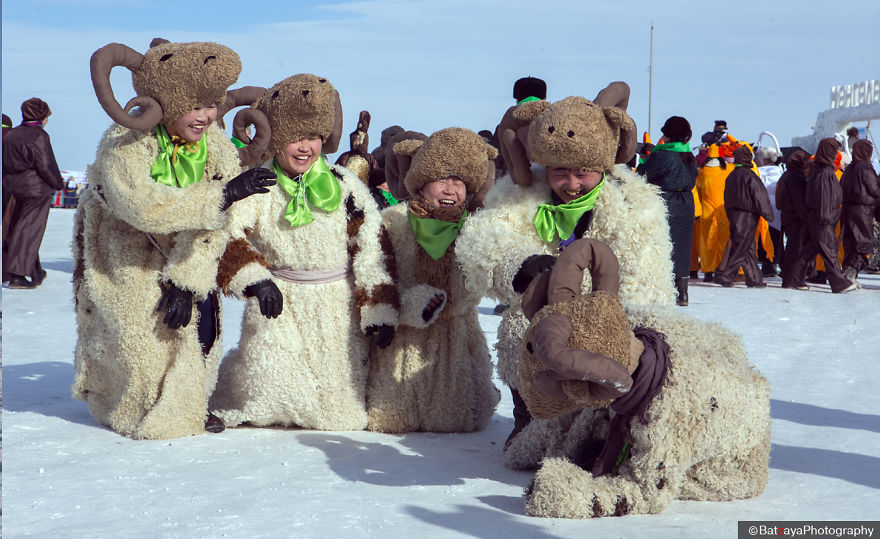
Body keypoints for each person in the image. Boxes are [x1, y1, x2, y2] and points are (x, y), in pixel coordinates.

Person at [71, 39, 279, 440]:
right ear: (165, 99)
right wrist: (224, 195)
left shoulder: (215, 146)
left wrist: (187, 281)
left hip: (189, 254)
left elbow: (213, 226)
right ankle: (131, 405)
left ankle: (190, 405)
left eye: (211, 105)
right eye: (194, 105)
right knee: (140, 341)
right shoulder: (125, 144)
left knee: (200, 330)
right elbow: (142, 206)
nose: (205, 116)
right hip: (124, 256)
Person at [454, 83, 674, 453]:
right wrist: (521, 267)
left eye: (583, 172)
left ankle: (596, 426)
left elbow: (645, 284)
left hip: (604, 317)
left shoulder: (634, 206)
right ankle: (529, 420)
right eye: (560, 172)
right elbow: (482, 242)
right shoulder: (520, 195)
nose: (571, 184)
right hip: (544, 316)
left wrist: (599, 314)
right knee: (517, 326)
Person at [209, 74, 399, 431]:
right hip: (278, 303)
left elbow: (372, 247)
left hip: (334, 311)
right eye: (294, 137)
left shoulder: (345, 184)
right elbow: (228, 234)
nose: (304, 147)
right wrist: (256, 280)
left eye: (312, 137)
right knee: (267, 396)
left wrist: (379, 309)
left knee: (339, 418)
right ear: (277, 139)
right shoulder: (260, 183)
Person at [365, 127, 501, 433]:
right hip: (403, 340)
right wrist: (406, 304)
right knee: (390, 419)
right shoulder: (394, 222)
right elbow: (376, 273)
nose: (451, 190)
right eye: (442, 180)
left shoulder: (474, 229)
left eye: (459, 182)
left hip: (457, 338)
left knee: (455, 420)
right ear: (422, 184)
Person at [2, 98, 65, 289]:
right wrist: (58, 184)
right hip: (35, 189)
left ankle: (35, 271)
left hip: (12, 186)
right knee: (29, 230)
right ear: (42, 116)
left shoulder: (10, 135)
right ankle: (18, 276)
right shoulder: (39, 136)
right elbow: (45, 165)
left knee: (20, 227)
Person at [637, 116, 697, 305]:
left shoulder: (662, 155)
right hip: (686, 204)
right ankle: (683, 294)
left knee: (662, 246)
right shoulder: (689, 156)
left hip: (665, 203)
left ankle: (660, 291)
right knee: (683, 247)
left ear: (667, 135)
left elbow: (642, 175)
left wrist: (643, 164)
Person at [786, 138, 857, 293]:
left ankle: (793, 279)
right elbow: (824, 198)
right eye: (833, 150)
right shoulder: (824, 172)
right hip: (822, 219)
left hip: (819, 218)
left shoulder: (820, 170)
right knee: (829, 252)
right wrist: (826, 219)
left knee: (809, 251)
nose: (834, 154)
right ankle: (839, 283)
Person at [713, 145, 774, 288]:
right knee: (742, 247)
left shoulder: (731, 176)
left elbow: (726, 197)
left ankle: (754, 279)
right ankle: (725, 276)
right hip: (747, 216)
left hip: (734, 215)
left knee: (747, 247)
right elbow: (760, 196)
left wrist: (730, 214)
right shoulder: (750, 175)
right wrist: (767, 214)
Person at [840, 139, 880, 283]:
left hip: (847, 209)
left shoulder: (849, 168)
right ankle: (850, 273)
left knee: (850, 243)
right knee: (864, 244)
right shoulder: (864, 167)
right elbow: (874, 189)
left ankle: (847, 272)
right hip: (863, 211)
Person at [694, 144, 732, 282]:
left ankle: (708, 271)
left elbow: (697, 193)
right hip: (724, 211)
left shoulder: (702, 171)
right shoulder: (728, 169)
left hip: (706, 212)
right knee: (723, 242)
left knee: (707, 244)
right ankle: (721, 270)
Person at [775, 150, 812, 288]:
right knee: (796, 249)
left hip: (787, 215)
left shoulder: (786, 175)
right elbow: (799, 201)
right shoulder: (797, 177)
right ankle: (793, 279)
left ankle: (788, 275)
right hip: (796, 217)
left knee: (792, 247)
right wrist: (807, 218)